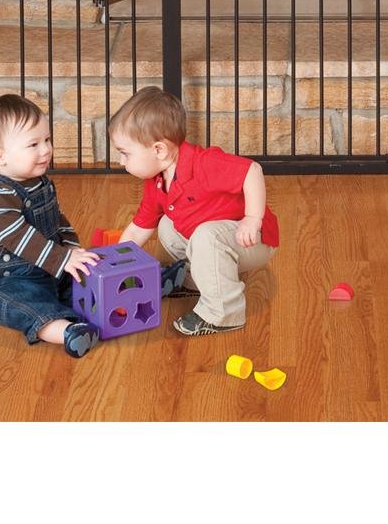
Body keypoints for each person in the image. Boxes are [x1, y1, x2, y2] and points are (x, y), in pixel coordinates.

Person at [109, 86, 279, 336]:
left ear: (159, 150)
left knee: (206, 236)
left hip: (252, 239)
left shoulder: (204, 163)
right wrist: (115, 263)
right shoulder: (157, 181)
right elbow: (137, 230)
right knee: (167, 225)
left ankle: (223, 312)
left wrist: (252, 218)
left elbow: (251, 170)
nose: (121, 162)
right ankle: (196, 280)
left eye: (125, 154)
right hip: (216, 238)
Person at [0, 94, 101, 357]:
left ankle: (128, 290)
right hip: (4, 279)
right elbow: (18, 237)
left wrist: (71, 250)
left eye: (47, 140)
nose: (46, 150)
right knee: (29, 305)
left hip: (46, 265)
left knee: (83, 276)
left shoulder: (40, 183)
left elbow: (57, 220)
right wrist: (61, 258)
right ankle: (67, 332)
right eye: (33, 144)